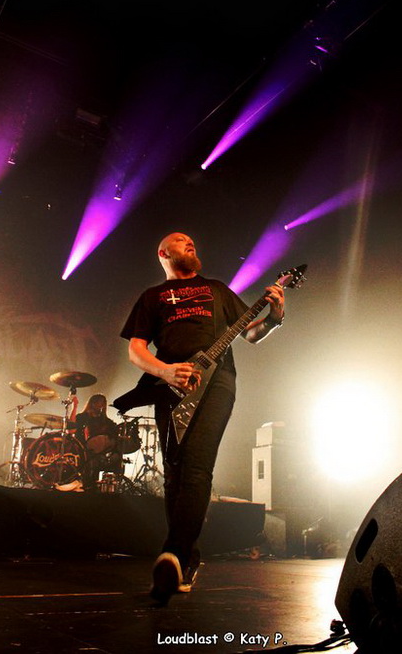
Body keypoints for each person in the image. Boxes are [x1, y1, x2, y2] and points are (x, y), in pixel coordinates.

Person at [118, 232, 285, 602]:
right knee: (174, 474)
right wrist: (165, 371)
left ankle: (173, 554)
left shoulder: (216, 290)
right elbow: (136, 350)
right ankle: (186, 560)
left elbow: (251, 334)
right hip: (170, 386)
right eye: (181, 240)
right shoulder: (152, 297)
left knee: (196, 467)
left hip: (217, 382)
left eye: (192, 240)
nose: (190, 242)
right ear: (163, 252)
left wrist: (274, 317)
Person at [70, 393, 121, 489]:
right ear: (92, 403)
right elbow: (71, 429)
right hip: (81, 450)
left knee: (116, 456)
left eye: (103, 403)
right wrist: (74, 407)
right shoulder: (82, 417)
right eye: (98, 402)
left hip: (100, 453)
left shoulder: (106, 421)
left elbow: (114, 435)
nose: (101, 405)